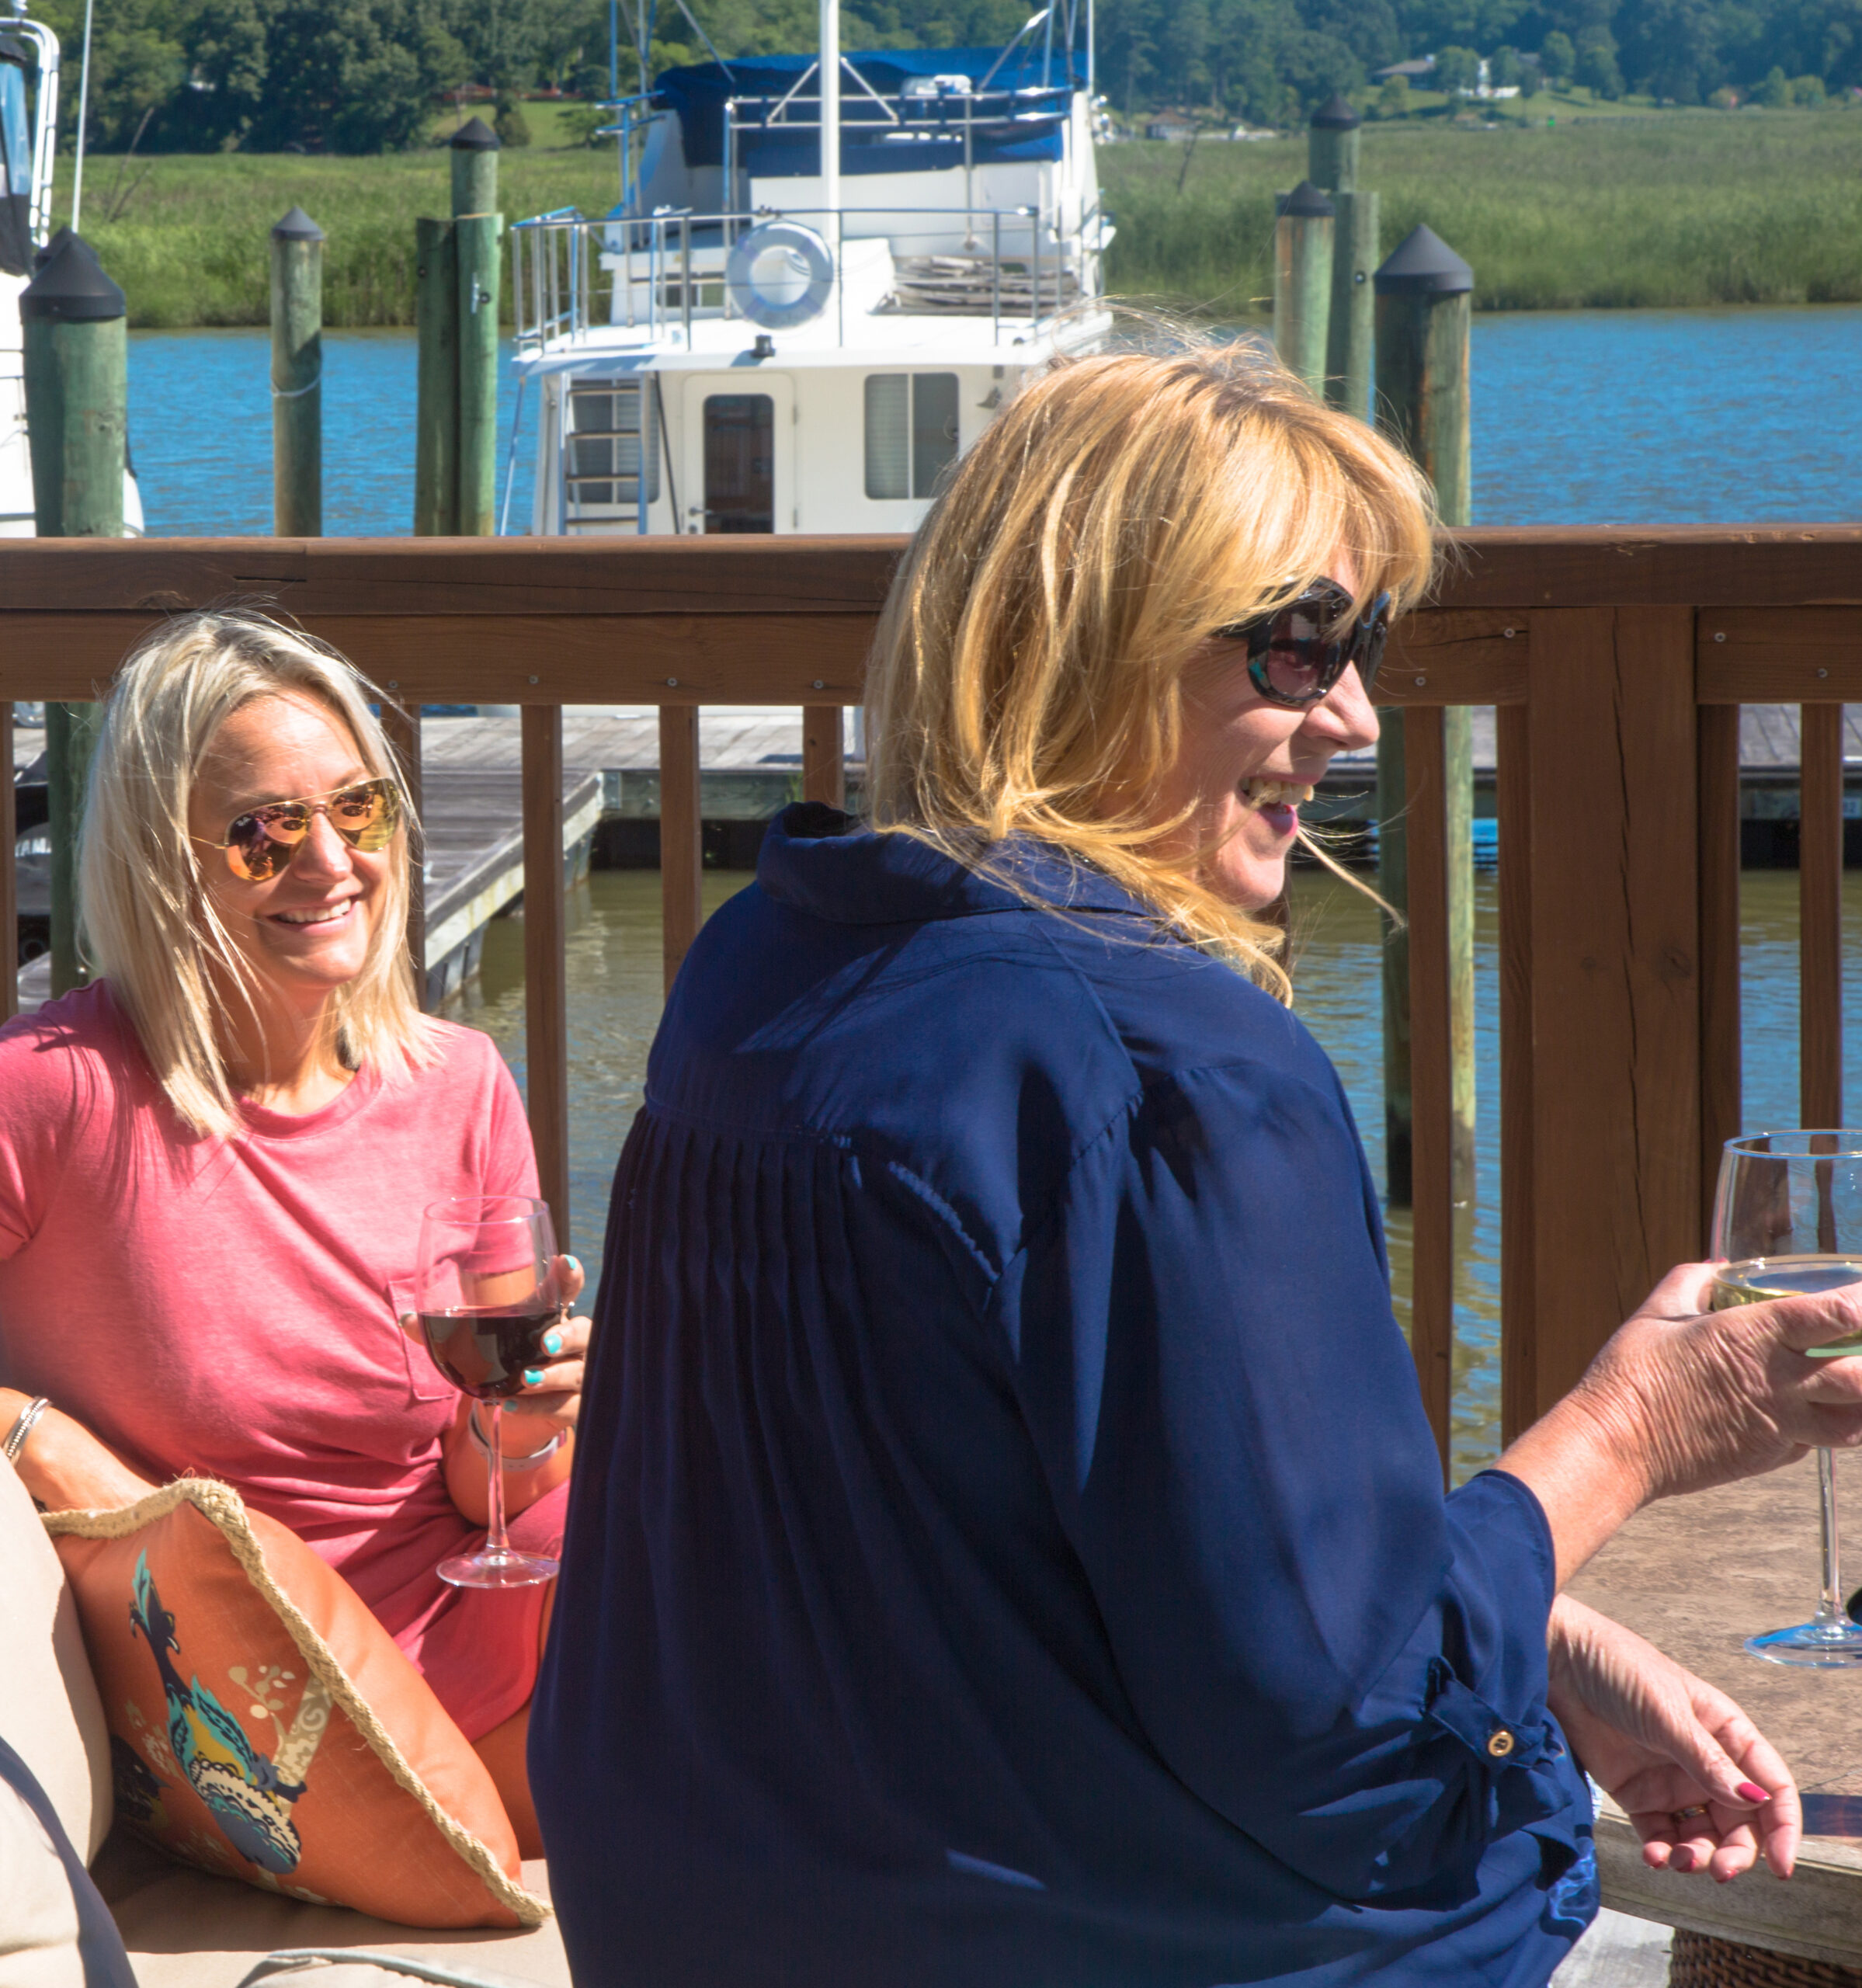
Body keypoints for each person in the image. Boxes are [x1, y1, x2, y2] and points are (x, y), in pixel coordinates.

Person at [531, 340, 1862, 1986]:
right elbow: (1341, 1734)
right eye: (1299, 648)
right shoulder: (1164, 1068)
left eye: (1361, 645)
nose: (1358, 711)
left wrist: (1528, 1630)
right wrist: (1630, 1425)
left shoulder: (763, 967)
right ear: (1083, 647)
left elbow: (1015, 1562)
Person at [0, 611, 591, 1851]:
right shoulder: (55, 1091)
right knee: (737, 1785)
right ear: (166, 863)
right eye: (264, 832)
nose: (333, 863)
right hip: (251, 1696)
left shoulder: (459, 1080)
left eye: (360, 810)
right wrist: (40, 1440)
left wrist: (525, 1424)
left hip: (468, 1610)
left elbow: (478, 1483)